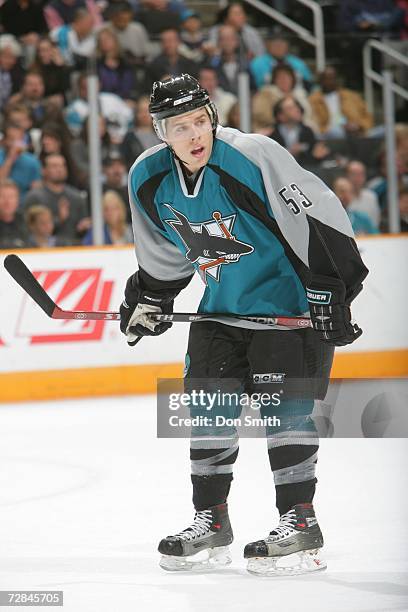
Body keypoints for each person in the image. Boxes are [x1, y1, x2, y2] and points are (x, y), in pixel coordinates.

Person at [120, 74, 368, 575]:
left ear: (212, 117)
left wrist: (331, 292)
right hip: (222, 309)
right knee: (207, 409)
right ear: (158, 131)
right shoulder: (147, 177)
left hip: (289, 309)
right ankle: (211, 521)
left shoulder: (251, 155)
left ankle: (301, 524)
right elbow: (166, 254)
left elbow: (319, 219)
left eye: (199, 121)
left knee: (287, 415)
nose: (194, 135)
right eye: (178, 126)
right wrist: (150, 298)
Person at [24, 153, 90, 243]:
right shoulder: (35, 197)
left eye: (62, 166)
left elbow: (83, 226)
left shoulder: (76, 197)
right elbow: (28, 230)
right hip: (44, 251)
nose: (59, 169)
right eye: (54, 166)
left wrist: (85, 226)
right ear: (43, 170)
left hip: (74, 249)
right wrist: (59, 219)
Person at [308, 67, 373, 139]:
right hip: (328, 133)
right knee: (337, 132)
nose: (330, 81)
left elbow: (367, 117)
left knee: (385, 130)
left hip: (354, 131)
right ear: (321, 81)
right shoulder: (313, 100)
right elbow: (310, 121)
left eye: (333, 78)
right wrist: (325, 129)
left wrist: (358, 126)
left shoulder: (352, 96)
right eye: (327, 78)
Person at [252, 64, 315, 134]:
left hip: (301, 133)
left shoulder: (302, 95)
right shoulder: (266, 94)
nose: (284, 80)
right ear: (274, 80)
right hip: (271, 133)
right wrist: (287, 118)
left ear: (293, 79)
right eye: (280, 77)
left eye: (287, 77)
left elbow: (310, 116)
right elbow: (260, 115)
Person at [270, 96, 330, 167]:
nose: (297, 109)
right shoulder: (272, 135)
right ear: (280, 116)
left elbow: (313, 158)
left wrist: (317, 155)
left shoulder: (307, 131)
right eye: (290, 108)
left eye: (297, 106)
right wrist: (289, 152)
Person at [250, 33, 314, 90]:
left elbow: (309, 84)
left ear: (287, 46)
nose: (279, 47)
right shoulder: (257, 63)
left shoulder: (298, 63)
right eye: (276, 45)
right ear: (268, 45)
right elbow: (255, 87)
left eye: (282, 44)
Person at [0, 123, 42, 201]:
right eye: (12, 139)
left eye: (19, 139)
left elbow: (37, 188)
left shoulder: (32, 161)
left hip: (23, 205)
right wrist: (10, 159)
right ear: (4, 141)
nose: (16, 143)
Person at [345, 160, 381, 228]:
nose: (357, 178)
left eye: (361, 174)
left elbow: (375, 223)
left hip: (369, 237)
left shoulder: (371, 196)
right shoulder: (341, 197)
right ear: (346, 176)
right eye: (354, 174)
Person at [0, 179, 28, 249]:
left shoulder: (26, 221)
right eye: (2, 197)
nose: (7, 202)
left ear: (18, 200)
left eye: (11, 197)